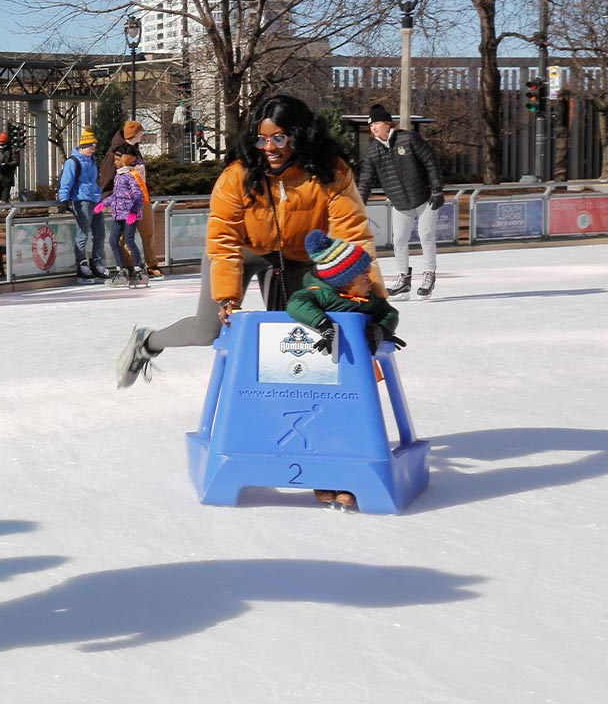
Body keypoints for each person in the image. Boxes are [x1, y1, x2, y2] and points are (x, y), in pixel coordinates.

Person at [116, 94, 384, 389]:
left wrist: (372, 305)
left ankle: (283, 402)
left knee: (295, 330)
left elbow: (354, 236)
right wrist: (228, 298)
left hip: (295, 256)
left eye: (279, 139)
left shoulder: (331, 172)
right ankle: (148, 341)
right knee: (208, 331)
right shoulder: (238, 175)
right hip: (240, 251)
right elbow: (223, 238)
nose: (269, 148)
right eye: (262, 139)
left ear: (300, 135)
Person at [285, 230, 405, 509]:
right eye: (363, 275)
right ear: (343, 281)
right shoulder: (319, 295)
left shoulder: (366, 299)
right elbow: (296, 304)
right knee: (321, 426)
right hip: (322, 376)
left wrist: (382, 329)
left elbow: (390, 312)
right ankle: (322, 478)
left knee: (353, 426)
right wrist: (324, 325)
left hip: (356, 377)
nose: (370, 279)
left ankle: (350, 478)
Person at [356, 104, 446, 299]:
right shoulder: (373, 151)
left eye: (376, 123)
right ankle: (403, 279)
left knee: (426, 235)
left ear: (387, 123)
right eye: (370, 126)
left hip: (425, 197)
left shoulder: (409, 138)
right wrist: (358, 204)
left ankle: (429, 274)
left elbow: (430, 161)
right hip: (400, 202)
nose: (373, 128)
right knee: (399, 239)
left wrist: (438, 189)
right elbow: (365, 180)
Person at [99, 120, 163, 279]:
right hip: (125, 202)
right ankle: (130, 265)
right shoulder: (116, 152)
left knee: (148, 232)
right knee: (125, 237)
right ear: (134, 134)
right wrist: (108, 198)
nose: (142, 134)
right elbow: (106, 177)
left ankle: (151, 264)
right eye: (141, 132)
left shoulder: (135, 150)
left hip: (143, 198)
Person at [57, 128, 111, 282]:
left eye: (94, 146)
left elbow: (95, 181)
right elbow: (66, 182)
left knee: (99, 234)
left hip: (95, 200)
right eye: (90, 146)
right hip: (82, 201)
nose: (93, 149)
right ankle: (82, 265)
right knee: (83, 234)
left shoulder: (92, 160)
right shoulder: (72, 162)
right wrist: (63, 200)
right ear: (82, 147)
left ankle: (97, 264)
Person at [95, 143, 148, 287]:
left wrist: (133, 211)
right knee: (113, 240)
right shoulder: (119, 176)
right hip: (119, 213)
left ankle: (140, 269)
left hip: (130, 213)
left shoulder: (131, 176)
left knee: (129, 241)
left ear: (126, 159)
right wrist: (104, 203)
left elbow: (139, 195)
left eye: (117, 160)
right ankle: (121, 270)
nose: (115, 163)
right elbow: (116, 196)